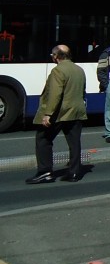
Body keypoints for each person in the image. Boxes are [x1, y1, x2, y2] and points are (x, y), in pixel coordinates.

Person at [26, 44, 88, 184]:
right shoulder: (79, 69)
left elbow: (55, 94)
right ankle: (74, 173)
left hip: (60, 112)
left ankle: (45, 172)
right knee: (74, 142)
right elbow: (82, 90)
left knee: (43, 139)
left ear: (56, 56)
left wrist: (48, 114)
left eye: (52, 55)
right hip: (76, 111)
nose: (52, 58)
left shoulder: (57, 71)